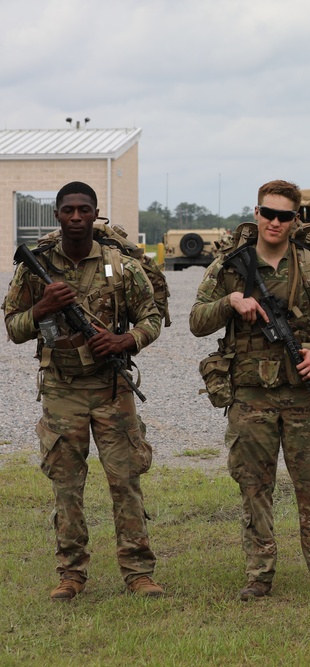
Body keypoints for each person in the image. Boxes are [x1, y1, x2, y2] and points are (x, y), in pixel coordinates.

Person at [189, 179, 310, 601]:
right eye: (268, 213)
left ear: (295, 220)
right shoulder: (231, 267)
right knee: (254, 487)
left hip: (304, 394)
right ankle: (259, 574)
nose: (274, 222)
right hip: (250, 395)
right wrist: (231, 301)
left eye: (284, 216)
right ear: (256, 213)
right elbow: (196, 320)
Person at [3, 181, 164, 601]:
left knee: (125, 481)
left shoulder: (120, 265)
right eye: (68, 210)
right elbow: (13, 327)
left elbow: (153, 318)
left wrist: (123, 342)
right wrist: (42, 309)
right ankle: (71, 574)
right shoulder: (33, 267)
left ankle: (138, 572)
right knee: (66, 486)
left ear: (95, 214)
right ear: (57, 215)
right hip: (61, 388)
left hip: (112, 388)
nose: (76, 217)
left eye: (84, 210)